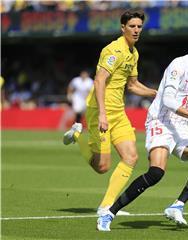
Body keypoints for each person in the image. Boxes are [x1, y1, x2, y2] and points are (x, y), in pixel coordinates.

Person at [97, 35, 188, 231]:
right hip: (161, 122)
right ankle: (109, 213)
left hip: (180, 127)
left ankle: (177, 205)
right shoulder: (178, 65)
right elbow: (169, 101)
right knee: (156, 173)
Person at [63, 9, 157, 216]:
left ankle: (106, 207)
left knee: (131, 157)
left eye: (139, 26)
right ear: (123, 27)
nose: (136, 30)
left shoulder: (134, 53)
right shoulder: (114, 51)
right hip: (100, 111)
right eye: (132, 26)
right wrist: (103, 115)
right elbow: (99, 80)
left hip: (119, 112)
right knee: (102, 166)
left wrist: (154, 92)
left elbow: (132, 85)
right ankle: (77, 137)